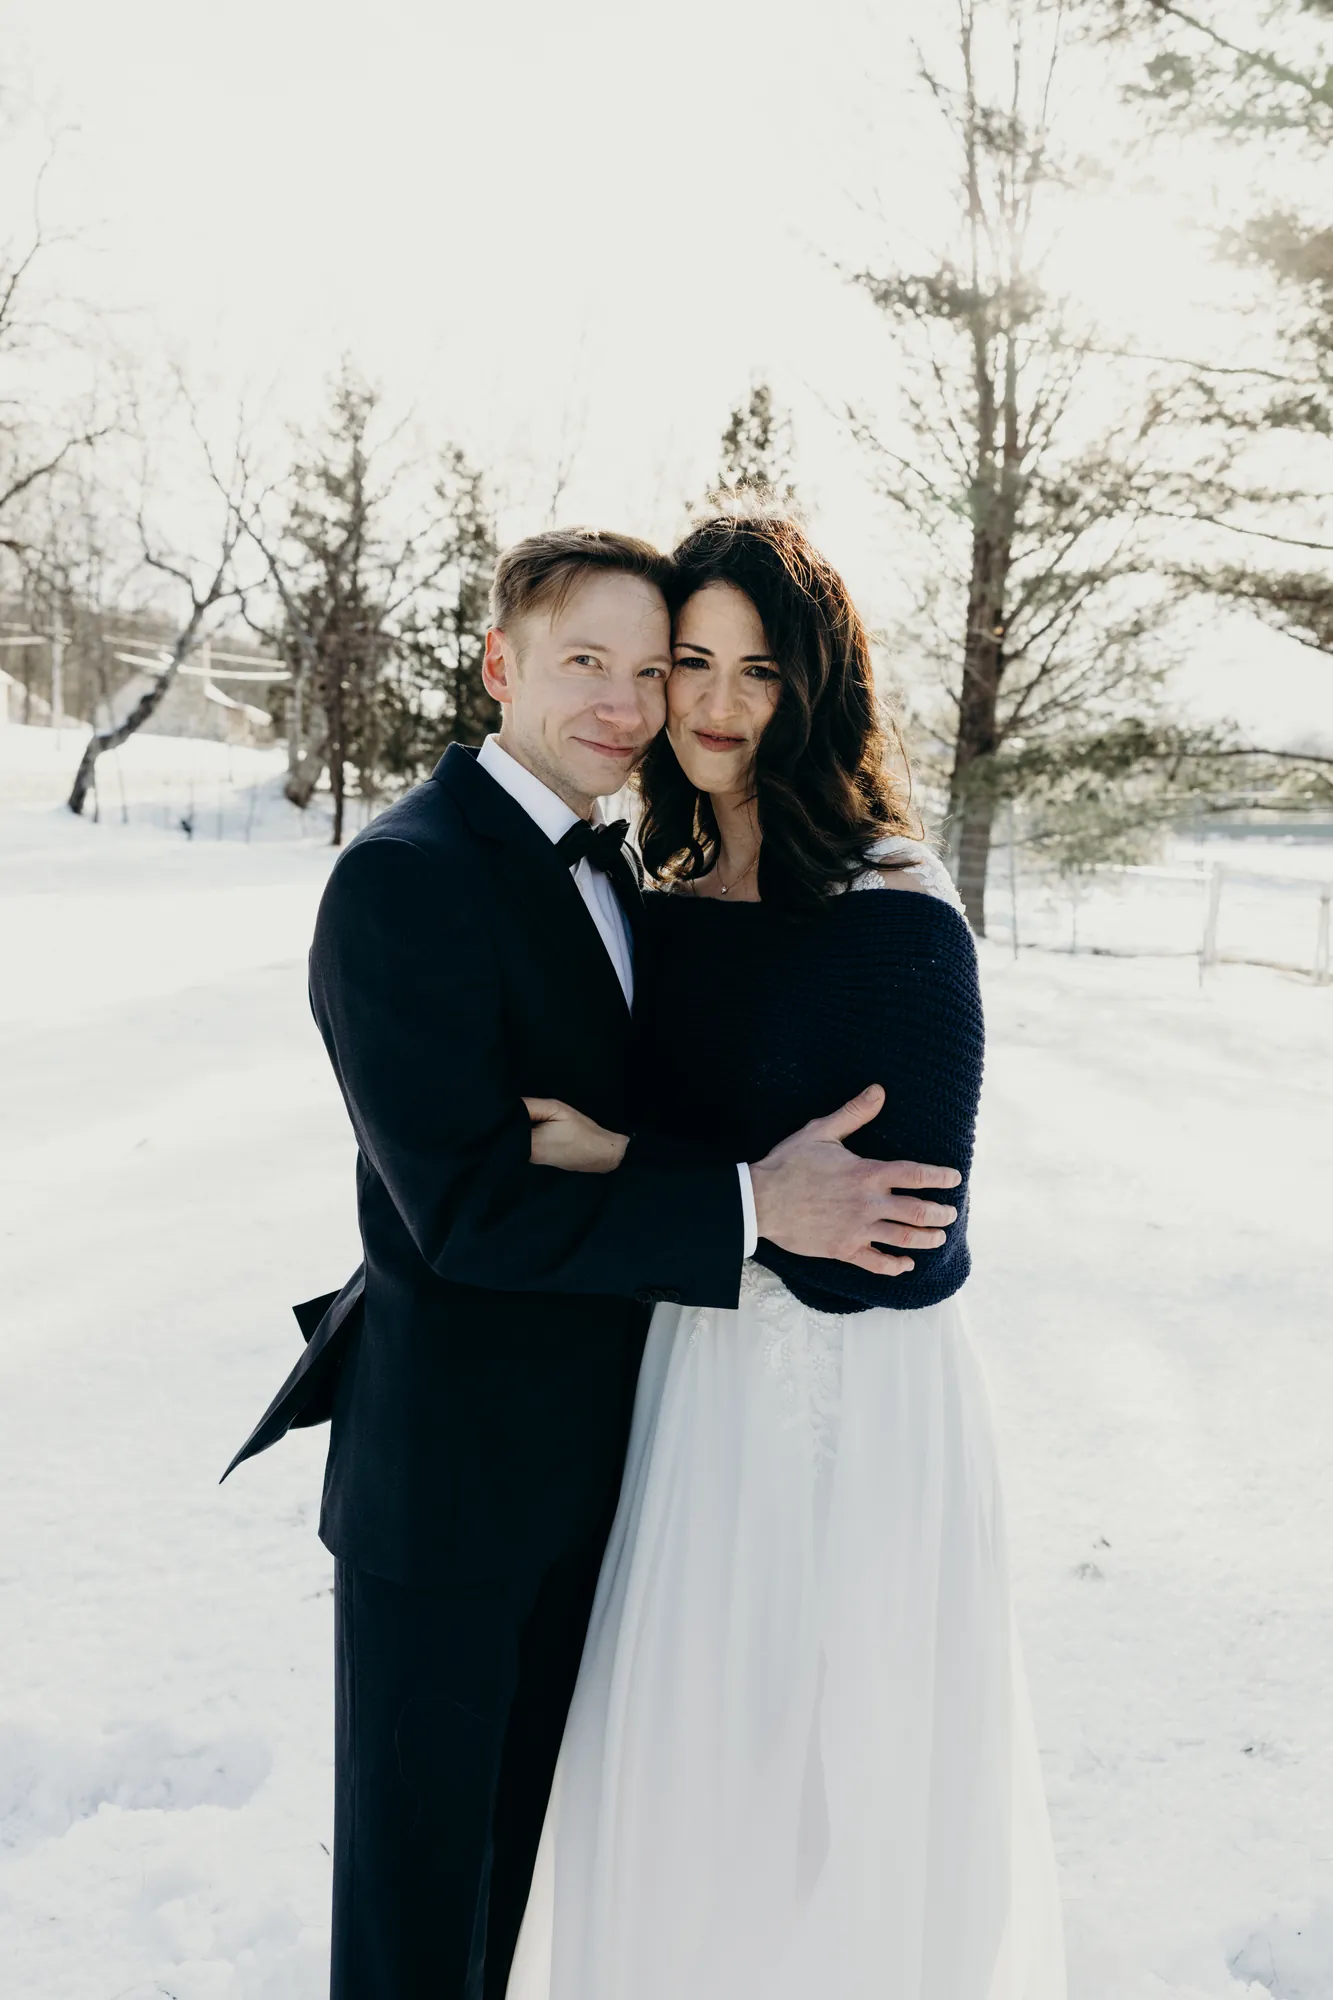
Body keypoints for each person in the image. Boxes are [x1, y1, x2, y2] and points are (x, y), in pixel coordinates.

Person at [221, 527, 965, 2000]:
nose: (634, 704)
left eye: (656, 666)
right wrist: (751, 1210)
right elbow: (474, 1213)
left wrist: (651, 1163)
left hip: (625, 1476)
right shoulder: (404, 881)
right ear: (499, 665)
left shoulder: (633, 869)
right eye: (592, 665)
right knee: (420, 1924)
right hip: (453, 1493)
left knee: (542, 1895)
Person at [505, 516, 1067, 2000]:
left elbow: (893, 1246)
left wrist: (641, 1163)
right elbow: (772, 1201)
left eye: (760, 669)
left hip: (862, 1413)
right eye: (691, 662)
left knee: (846, 1792)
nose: (715, 703)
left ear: (815, 687)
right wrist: (755, 1193)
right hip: (693, 1391)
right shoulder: (659, 900)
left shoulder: (897, 915)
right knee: (690, 1774)